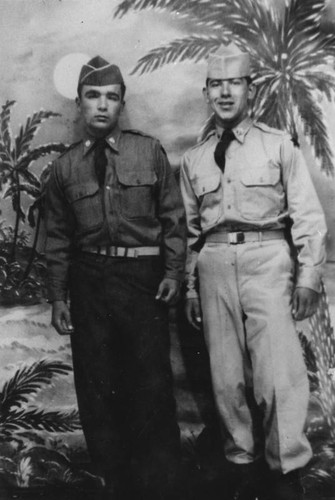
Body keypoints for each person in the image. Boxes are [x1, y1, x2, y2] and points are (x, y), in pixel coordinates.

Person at [180, 43, 327, 500]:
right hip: (215, 266)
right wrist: (189, 288)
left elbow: (307, 216)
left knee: (276, 375)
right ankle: (241, 465)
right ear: (207, 91)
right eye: (217, 85)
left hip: (268, 261)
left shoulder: (278, 144)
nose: (226, 93)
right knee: (226, 377)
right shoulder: (194, 159)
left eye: (235, 83)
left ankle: (286, 470)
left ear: (251, 88)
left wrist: (308, 278)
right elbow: (190, 234)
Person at [45, 55, 186, 500]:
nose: (102, 105)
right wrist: (58, 297)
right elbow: (58, 237)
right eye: (93, 96)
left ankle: (159, 482)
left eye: (111, 97)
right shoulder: (65, 168)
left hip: (142, 281)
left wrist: (173, 272)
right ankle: (113, 482)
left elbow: (174, 220)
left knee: (151, 383)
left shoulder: (150, 151)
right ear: (80, 104)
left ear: (122, 103)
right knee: (97, 384)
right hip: (89, 283)